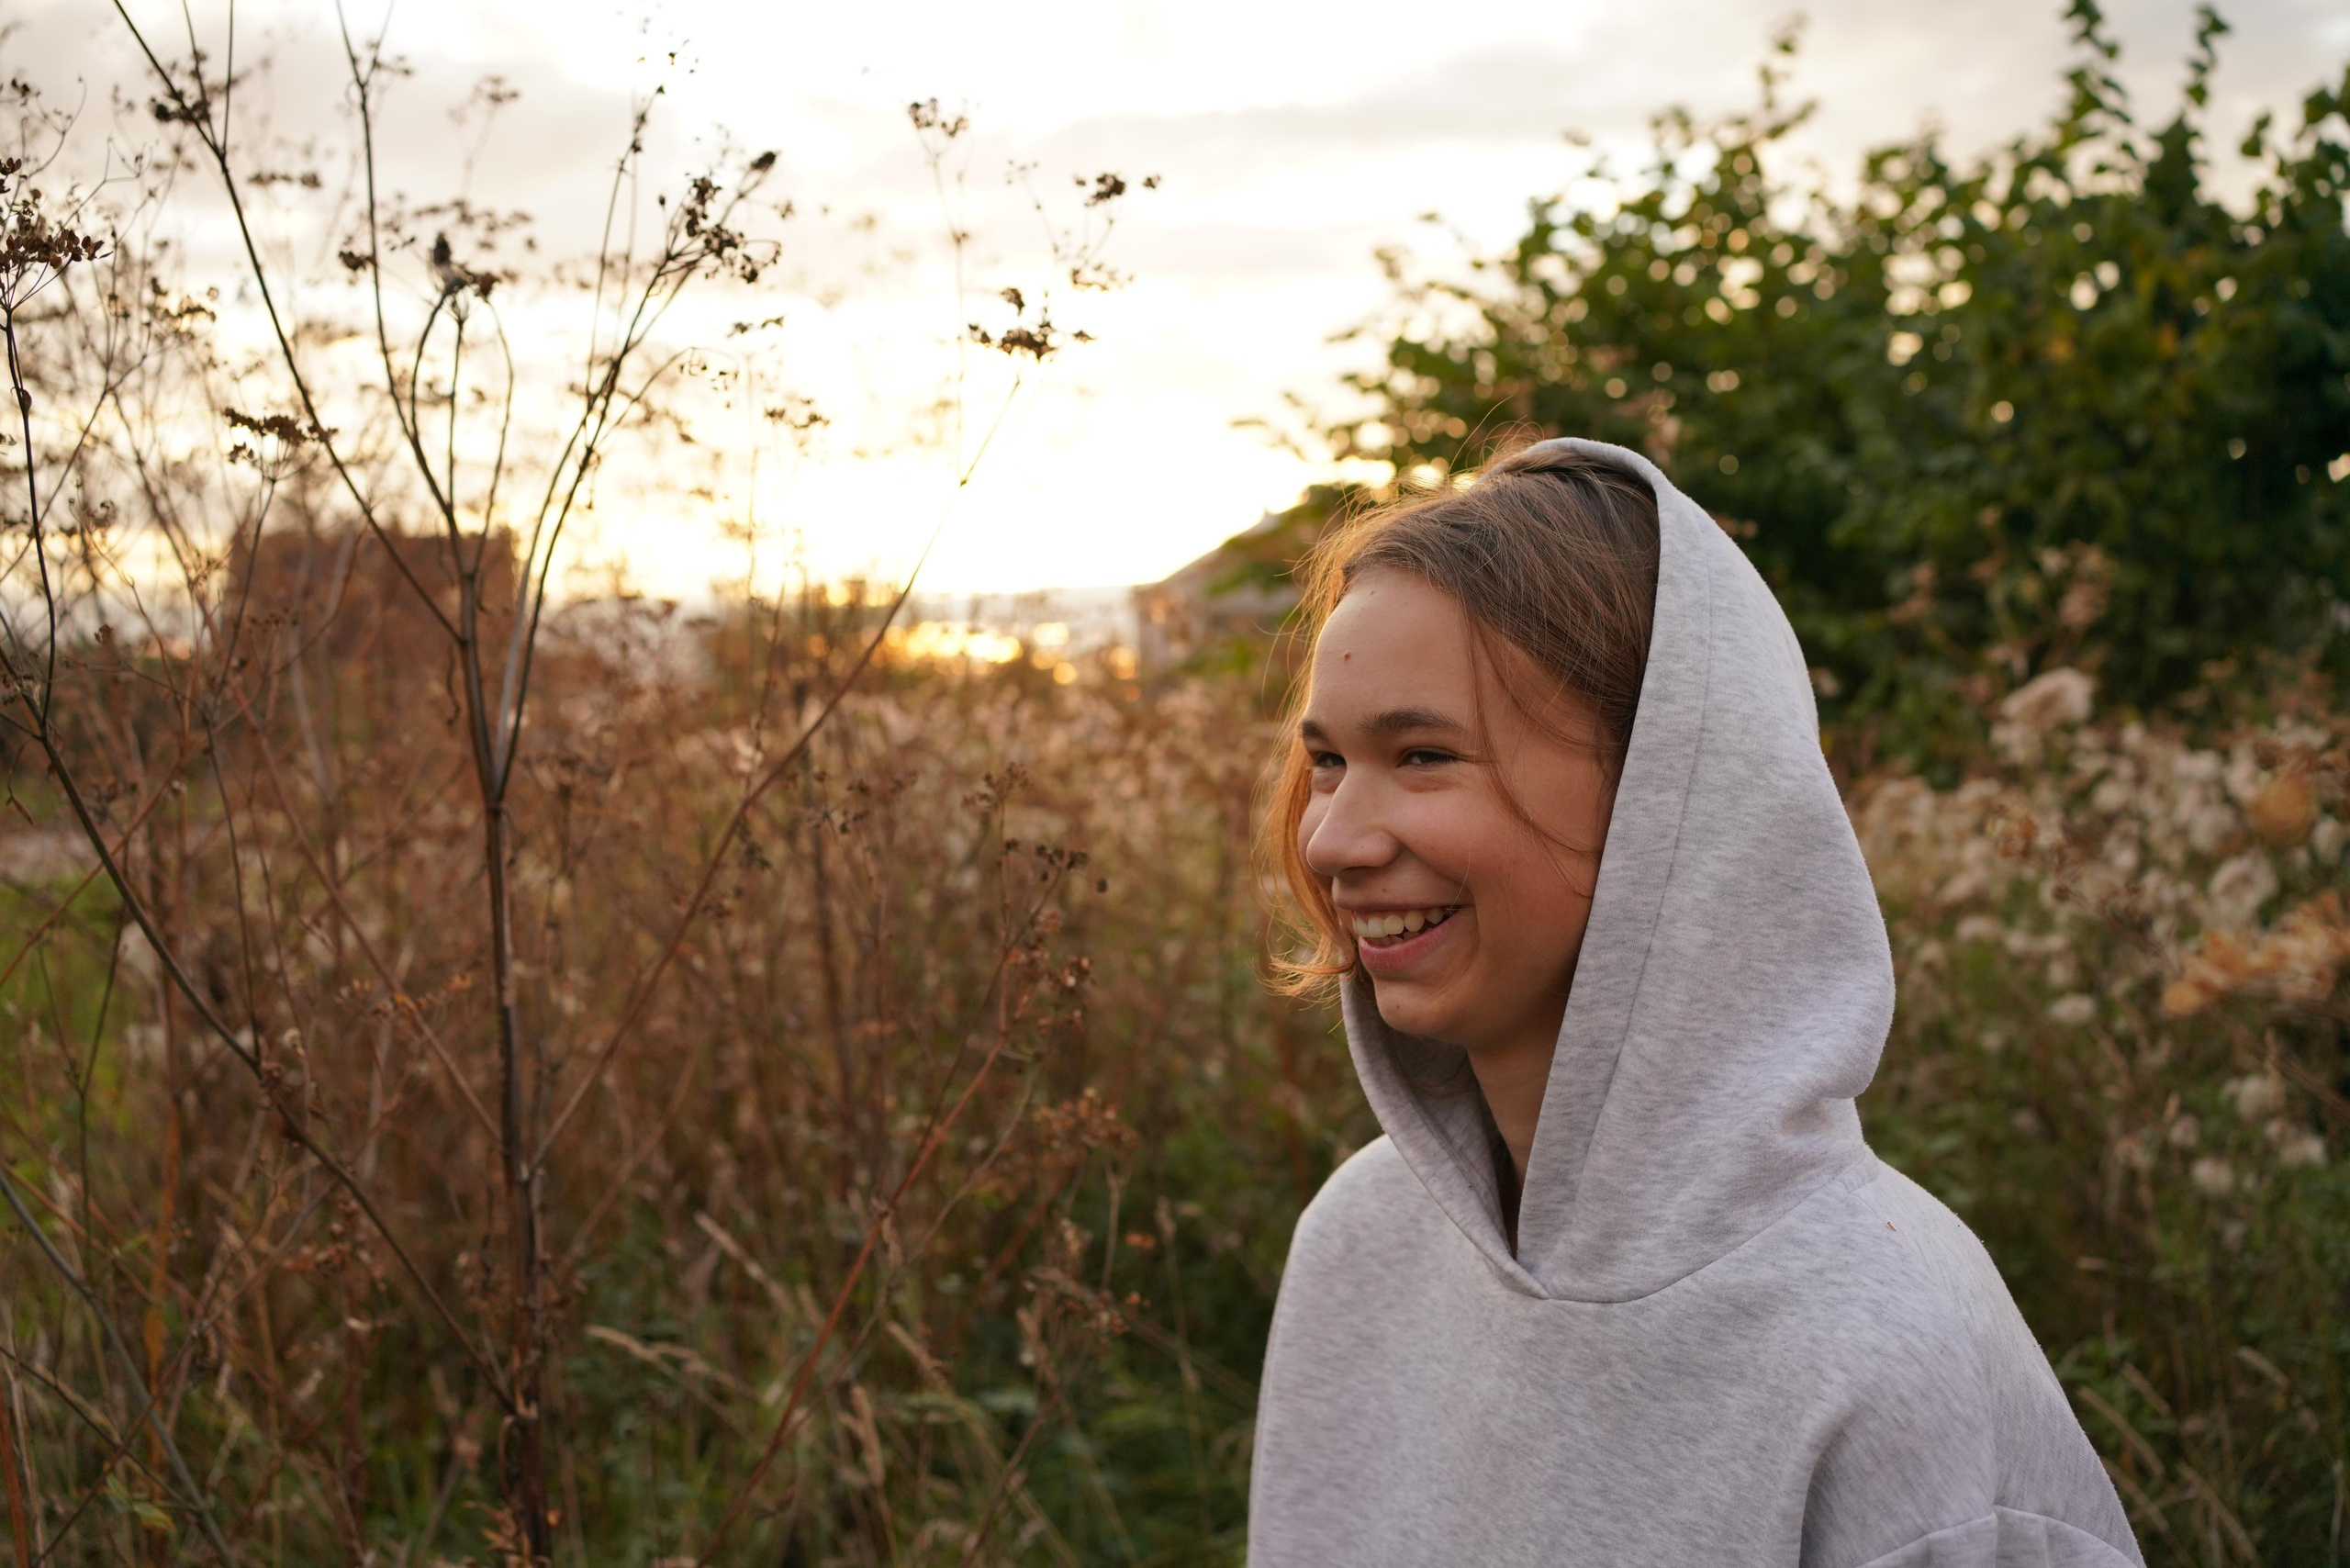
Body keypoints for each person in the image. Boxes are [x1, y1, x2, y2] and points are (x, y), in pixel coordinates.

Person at [1246, 438, 2143, 1567]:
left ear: (1672, 795)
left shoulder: (1893, 1351)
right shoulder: (1356, 1246)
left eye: (1423, 755)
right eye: (1326, 760)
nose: (1330, 838)